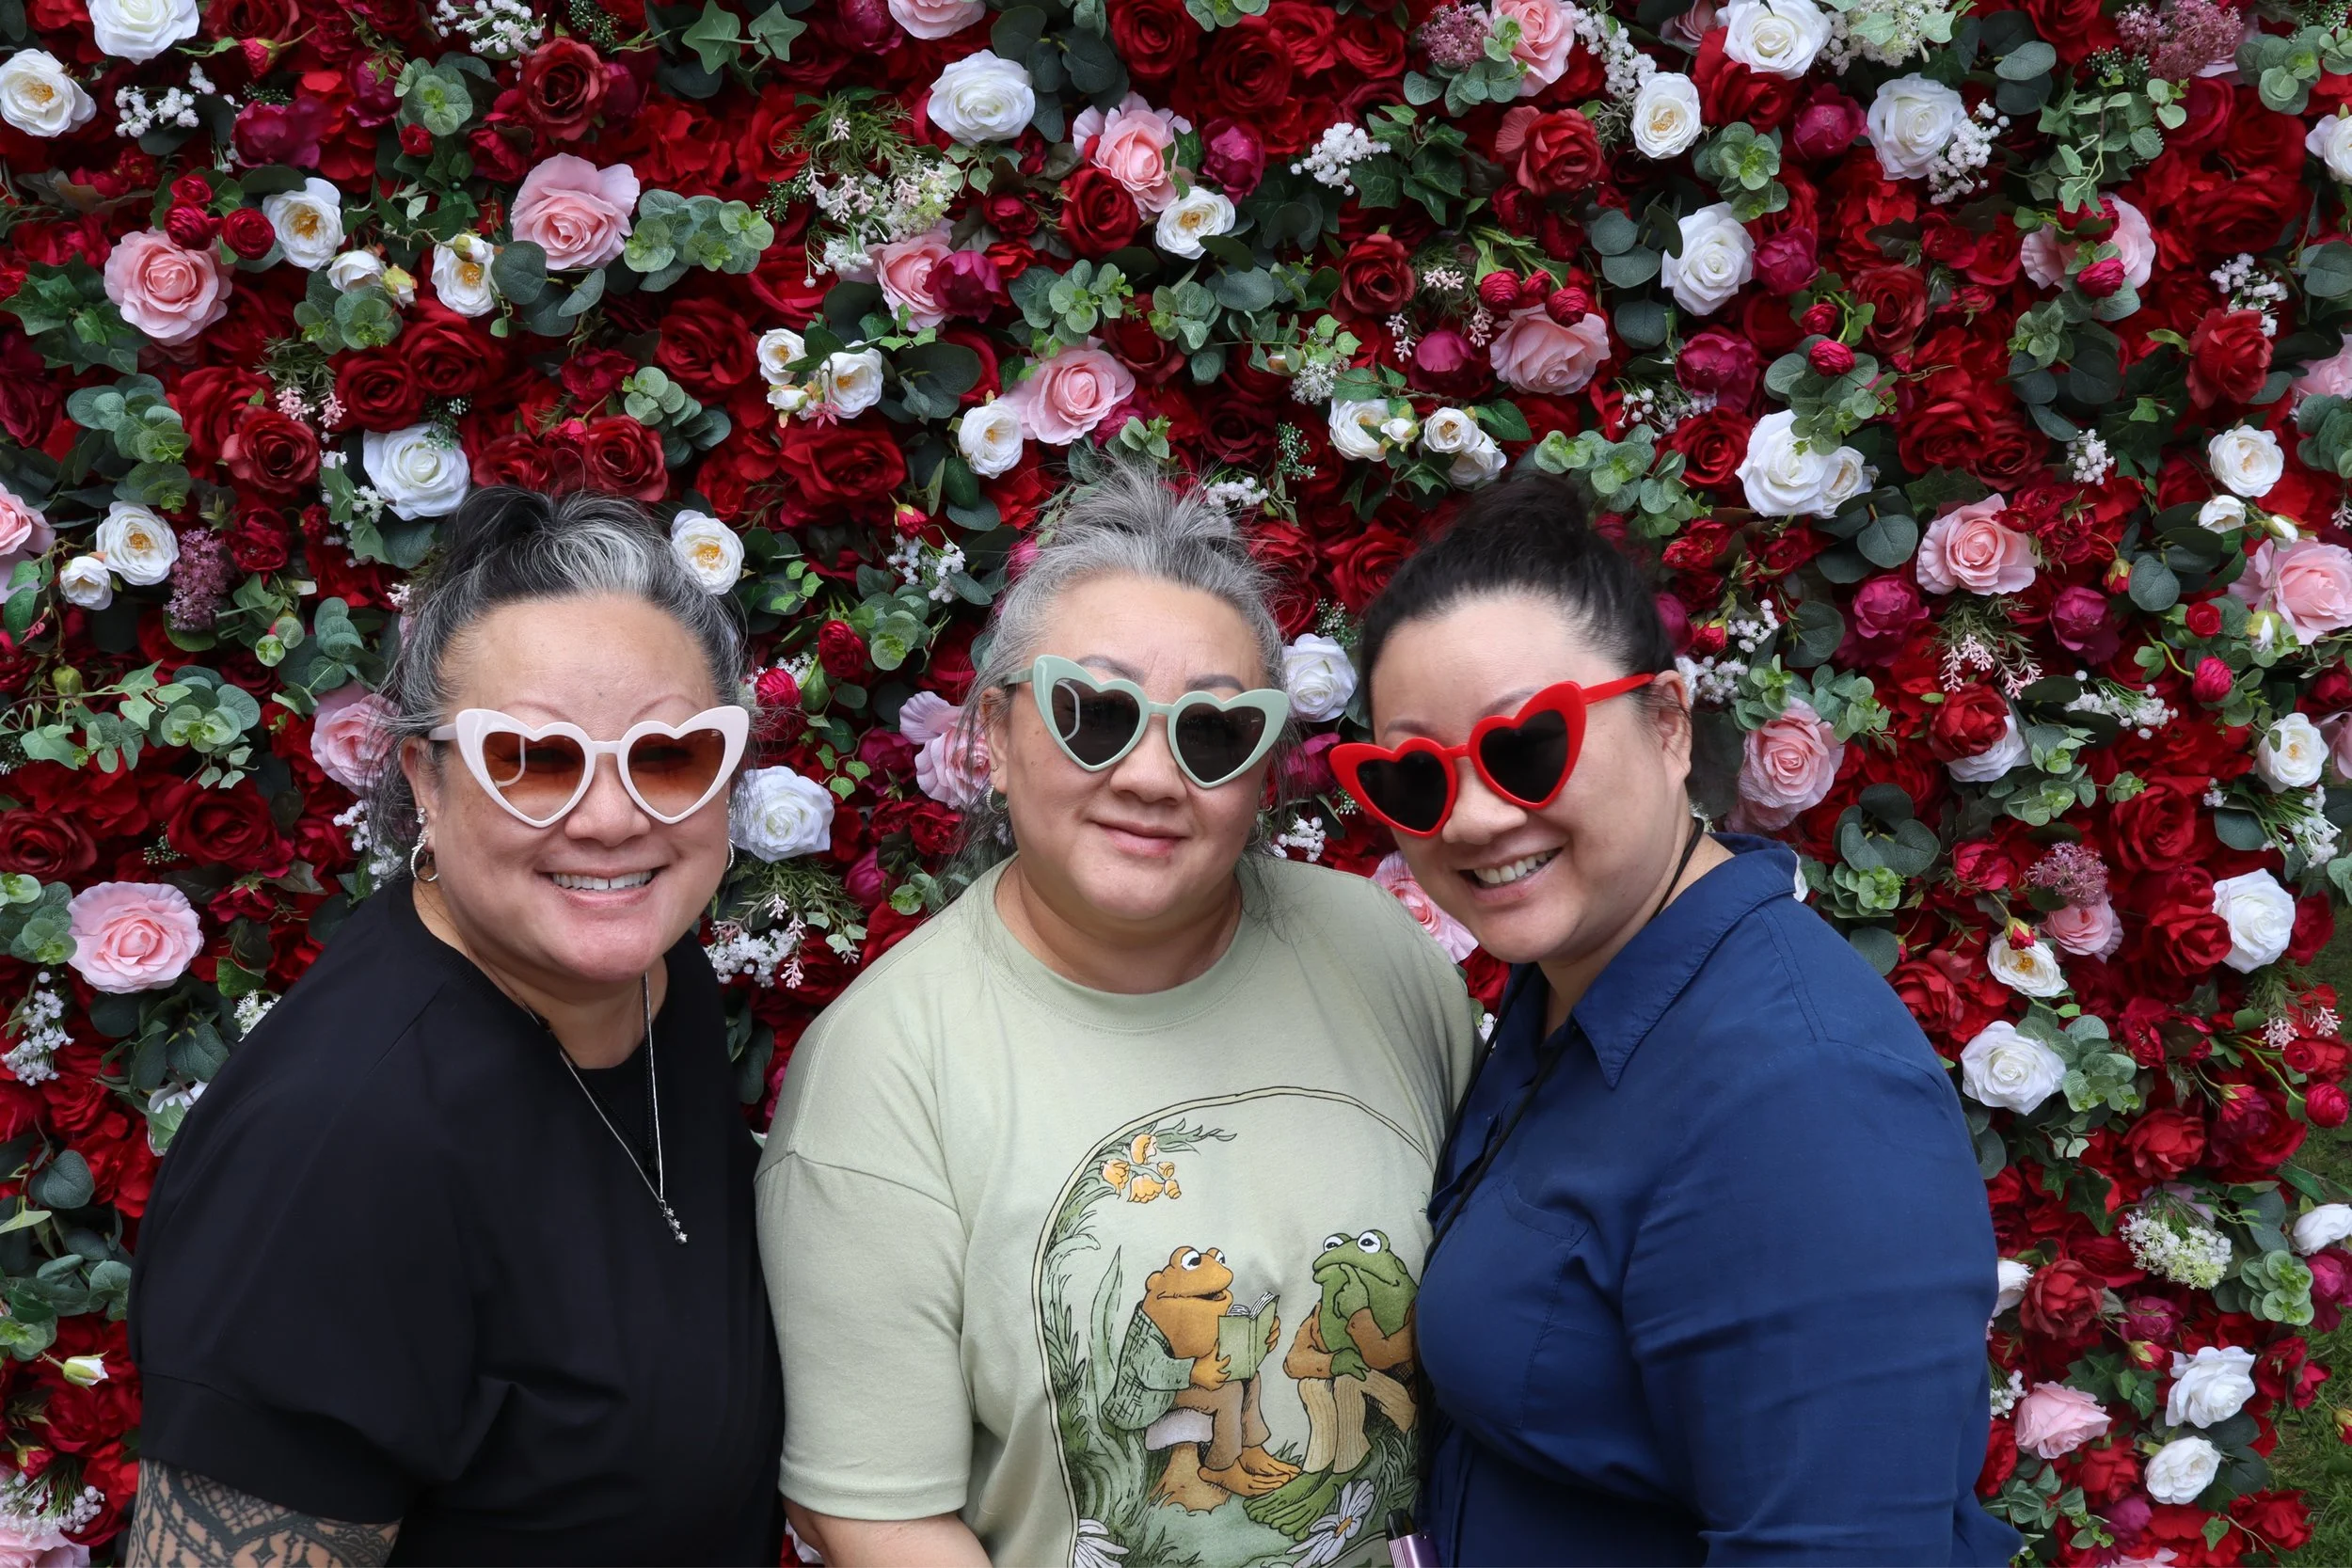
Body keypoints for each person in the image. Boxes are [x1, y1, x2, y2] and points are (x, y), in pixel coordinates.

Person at [757, 468, 1480, 1568]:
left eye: (1211, 730)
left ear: (1261, 770)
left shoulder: (1379, 953)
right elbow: (876, 1512)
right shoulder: (888, 1066)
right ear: (994, 734)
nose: (1150, 774)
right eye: (1092, 714)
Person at [1332, 474, 2021, 1566]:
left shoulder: (1804, 1094)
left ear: (1663, 724)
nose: (1468, 816)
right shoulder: (1574, 984)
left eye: (1526, 747)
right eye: (1412, 778)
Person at [127, 489, 784, 1566]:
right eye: (534, 759)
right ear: (425, 779)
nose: (614, 818)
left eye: (668, 755)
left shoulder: (654, 976)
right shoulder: (337, 1150)